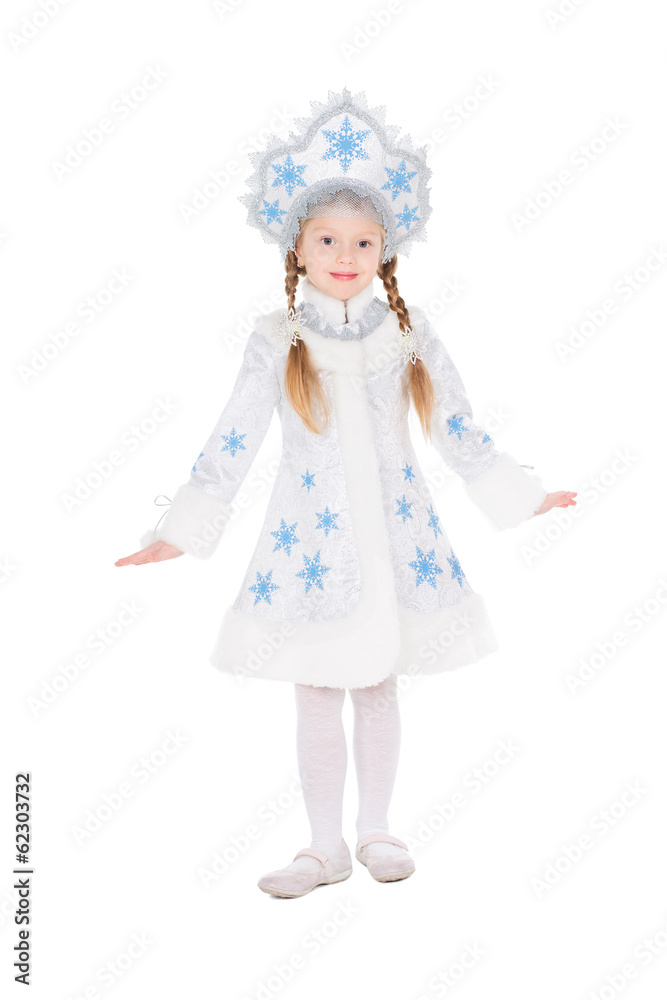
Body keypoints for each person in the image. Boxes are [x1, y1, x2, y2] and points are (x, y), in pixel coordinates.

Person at [115, 88, 576, 898]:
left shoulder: (407, 330)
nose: (344, 253)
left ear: (384, 249)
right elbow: (235, 434)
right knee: (317, 685)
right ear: (296, 245)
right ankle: (323, 845)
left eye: (362, 241)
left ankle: (376, 830)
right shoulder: (277, 339)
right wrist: (180, 530)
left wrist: (519, 492)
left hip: (395, 536)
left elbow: (454, 422)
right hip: (312, 545)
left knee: (377, 683)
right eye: (327, 237)